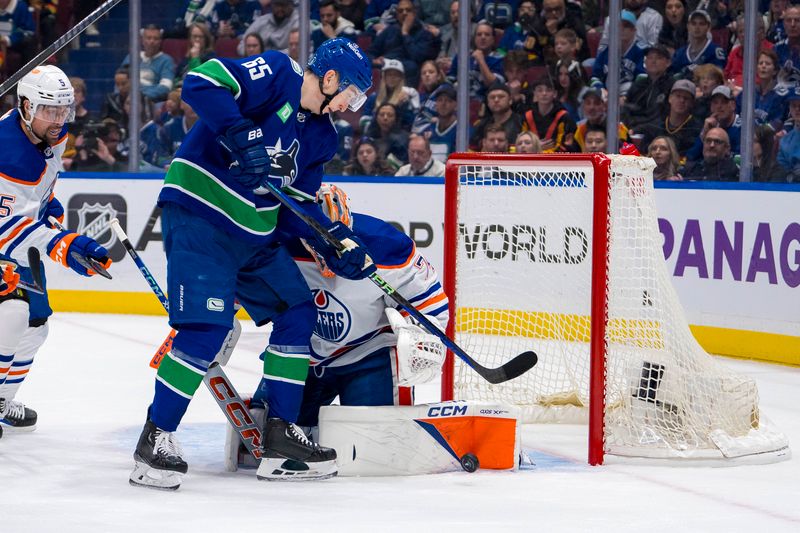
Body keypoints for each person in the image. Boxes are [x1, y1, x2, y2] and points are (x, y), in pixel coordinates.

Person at [128, 38, 375, 490]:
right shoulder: (279, 74)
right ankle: (155, 439)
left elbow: (296, 207)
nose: (351, 106)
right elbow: (201, 82)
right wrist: (239, 132)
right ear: (333, 78)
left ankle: (281, 433)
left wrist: (335, 237)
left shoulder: (322, 136)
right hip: (202, 217)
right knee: (207, 330)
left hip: (254, 238)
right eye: (352, 93)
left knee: (299, 310)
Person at [226, 184, 448, 467]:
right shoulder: (277, 242)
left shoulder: (385, 246)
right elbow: (236, 284)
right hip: (301, 357)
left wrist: (422, 334)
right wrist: (208, 322)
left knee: (384, 447)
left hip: (369, 353)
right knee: (263, 438)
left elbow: (430, 299)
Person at [0, 66, 113, 435]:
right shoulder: (9, 154)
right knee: (12, 314)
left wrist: (51, 212)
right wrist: (64, 244)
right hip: (6, 238)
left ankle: (3, 401)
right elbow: (6, 230)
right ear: (26, 106)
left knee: (36, 324)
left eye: (63, 110)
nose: (58, 119)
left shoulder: (54, 133)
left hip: (22, 234)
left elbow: (40, 192)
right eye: (50, 110)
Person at [368, 0, 441, 87]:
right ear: (397, 15)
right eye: (400, 11)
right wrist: (374, 60)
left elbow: (417, 57)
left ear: (415, 13)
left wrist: (405, 33)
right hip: (386, 67)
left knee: (411, 67)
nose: (404, 13)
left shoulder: (424, 33)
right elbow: (370, 52)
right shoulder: (389, 30)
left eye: (408, 10)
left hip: (409, 73)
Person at [591, 10, 647, 97]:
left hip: (631, 97)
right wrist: (601, 90)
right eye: (618, 26)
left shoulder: (640, 51)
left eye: (626, 26)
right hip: (606, 95)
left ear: (634, 30)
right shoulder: (605, 51)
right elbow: (595, 77)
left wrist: (627, 96)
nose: (621, 29)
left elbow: (642, 78)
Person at [622, 45, 674, 132]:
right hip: (630, 129)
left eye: (658, 58)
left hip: (656, 132)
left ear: (668, 63)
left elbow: (664, 117)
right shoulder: (638, 84)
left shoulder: (672, 86)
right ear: (645, 62)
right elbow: (626, 109)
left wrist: (638, 129)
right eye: (649, 58)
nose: (653, 61)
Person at [121, 24, 176, 104]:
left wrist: (141, 96)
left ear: (160, 41)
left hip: (152, 102)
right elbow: (120, 80)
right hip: (129, 100)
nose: (152, 41)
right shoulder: (131, 57)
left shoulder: (166, 61)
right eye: (148, 38)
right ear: (142, 40)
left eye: (155, 38)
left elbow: (166, 87)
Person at [522, 76, 576, 153]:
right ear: (535, 93)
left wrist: (541, 153)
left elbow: (567, 146)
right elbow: (520, 142)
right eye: (540, 90)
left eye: (548, 90)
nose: (544, 94)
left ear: (555, 94)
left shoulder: (564, 117)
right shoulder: (526, 116)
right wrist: (536, 147)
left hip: (556, 161)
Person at [670, 10, 727, 81]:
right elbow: (672, 76)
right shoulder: (680, 53)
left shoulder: (716, 51)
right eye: (693, 23)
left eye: (702, 24)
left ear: (708, 27)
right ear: (688, 26)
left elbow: (718, 77)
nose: (697, 27)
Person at [470, 81, 524, 152]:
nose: (496, 100)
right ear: (488, 103)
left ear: (510, 100)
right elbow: (471, 151)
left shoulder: (522, 122)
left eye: (501, 97)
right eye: (492, 97)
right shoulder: (480, 125)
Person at [364, 102, 410, 169]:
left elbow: (394, 168)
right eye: (382, 115)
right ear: (376, 118)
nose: (385, 118)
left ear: (396, 119)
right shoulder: (370, 136)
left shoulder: (401, 141)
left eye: (390, 115)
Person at [424, 83, 458, 162]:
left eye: (448, 101)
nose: (443, 104)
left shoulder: (462, 131)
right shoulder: (428, 128)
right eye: (440, 100)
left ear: (456, 105)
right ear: (435, 105)